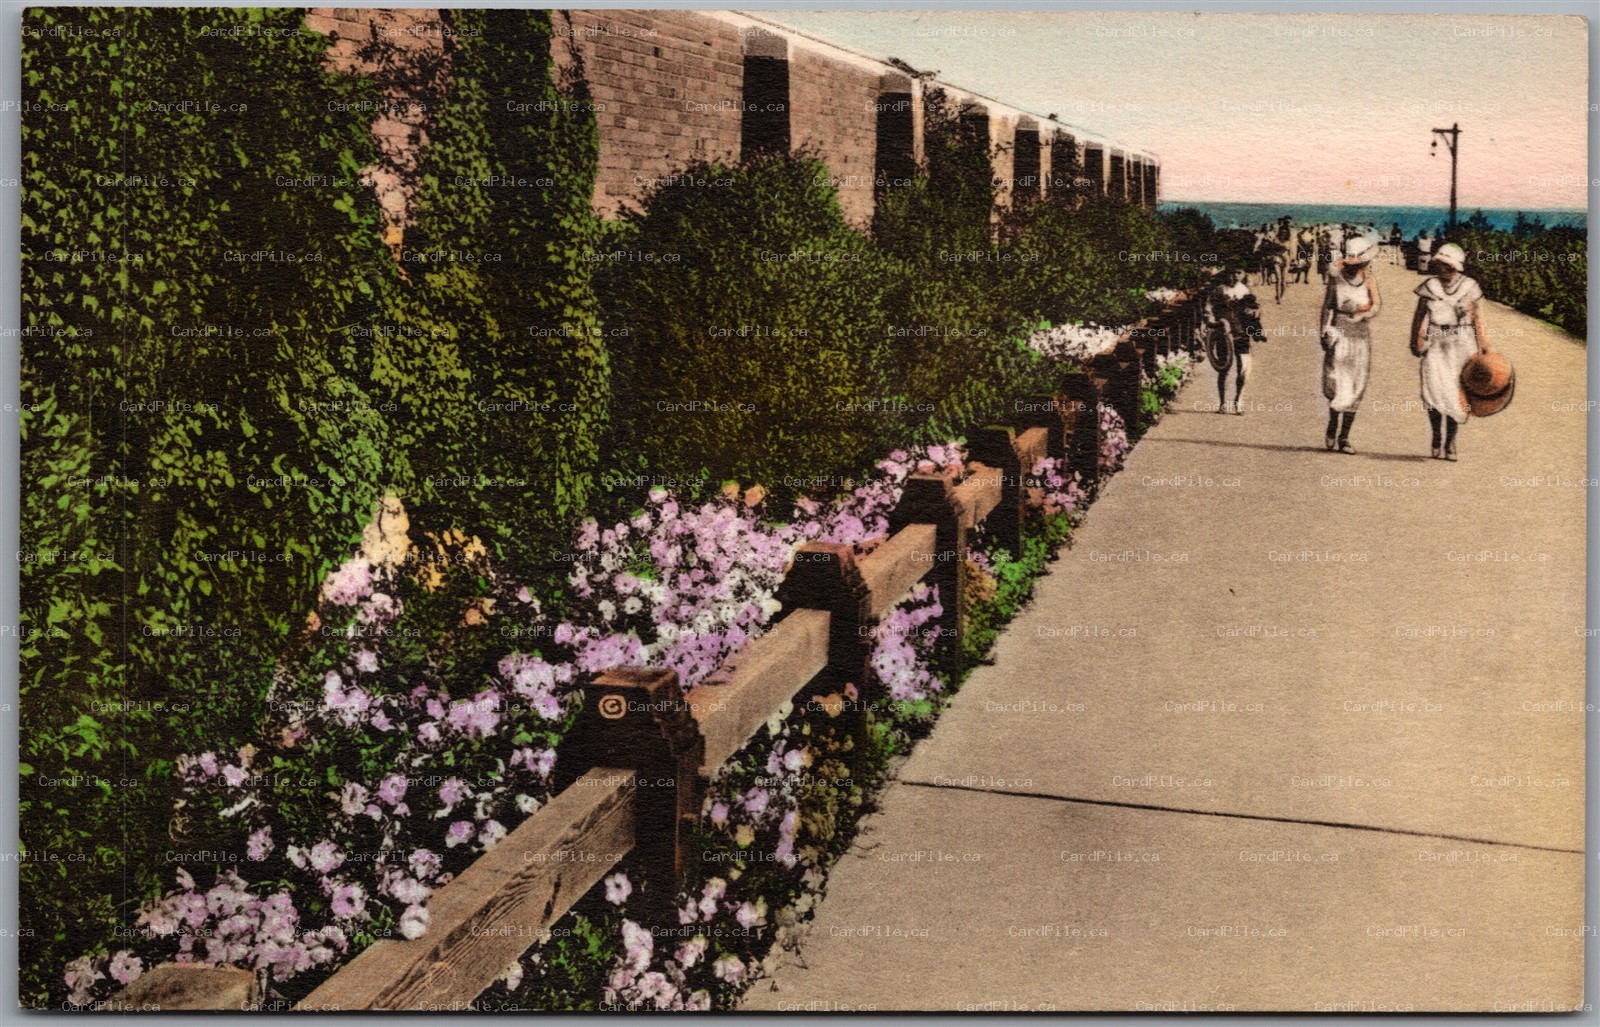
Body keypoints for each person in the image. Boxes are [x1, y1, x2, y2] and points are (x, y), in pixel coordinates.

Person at [1410, 242, 1486, 460]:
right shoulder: (1429, 286)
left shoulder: (1470, 287)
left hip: (1461, 343)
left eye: (1446, 265)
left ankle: (1450, 442)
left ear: (1455, 267)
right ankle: (1435, 436)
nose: (1441, 268)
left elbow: (1478, 320)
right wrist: (1415, 340)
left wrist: (1482, 348)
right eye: (1439, 264)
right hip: (1435, 341)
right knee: (1433, 390)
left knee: (1455, 393)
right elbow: (1418, 316)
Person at [1319, 236, 1381, 453]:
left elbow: (1376, 306)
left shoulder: (1370, 281)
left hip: (1360, 336)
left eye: (1361, 264)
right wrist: (1323, 332)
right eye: (1353, 264)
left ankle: (1344, 437)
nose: (1357, 268)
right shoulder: (1336, 280)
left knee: (1356, 384)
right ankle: (1333, 424)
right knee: (1336, 381)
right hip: (1339, 332)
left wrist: (1363, 310)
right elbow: (1327, 307)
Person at [1204, 269, 1264, 414]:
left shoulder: (1244, 290)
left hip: (1241, 334)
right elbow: (1208, 312)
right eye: (1231, 272)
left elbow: (1256, 311)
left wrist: (1254, 317)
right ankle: (1222, 403)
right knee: (1223, 368)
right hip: (1223, 335)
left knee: (1243, 369)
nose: (1234, 276)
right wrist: (1216, 322)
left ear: (1243, 274)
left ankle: (1238, 399)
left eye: (1238, 273)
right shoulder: (1218, 291)